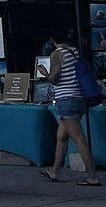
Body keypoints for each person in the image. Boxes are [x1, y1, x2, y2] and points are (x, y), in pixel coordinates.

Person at [41, 36, 101, 187]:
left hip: (66, 101)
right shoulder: (73, 51)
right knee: (61, 136)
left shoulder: (56, 54)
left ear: (54, 39)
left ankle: (92, 176)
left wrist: (44, 73)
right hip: (79, 99)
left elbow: (54, 78)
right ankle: (54, 170)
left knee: (79, 138)